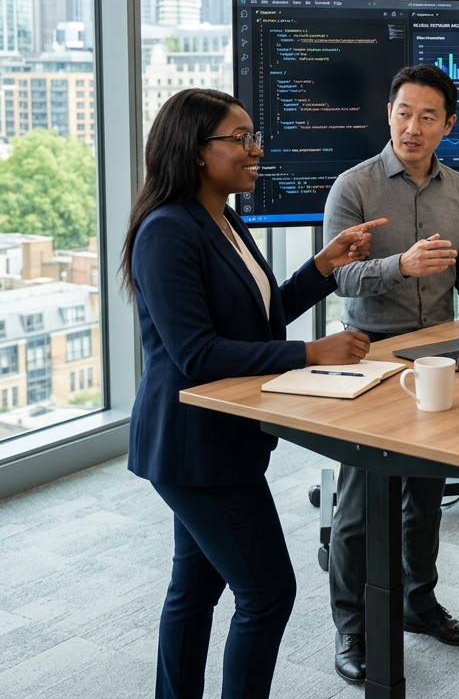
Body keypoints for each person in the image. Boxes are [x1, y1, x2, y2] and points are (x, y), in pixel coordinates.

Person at [124, 89, 385, 699]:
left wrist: (321, 268)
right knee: (268, 594)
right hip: (191, 444)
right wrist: (310, 354)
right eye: (239, 139)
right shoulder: (166, 231)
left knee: (195, 586)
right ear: (194, 151)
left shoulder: (221, 217)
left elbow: (258, 317)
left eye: (253, 135)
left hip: (225, 435)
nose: (255, 149)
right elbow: (198, 354)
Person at [322, 64, 459, 681]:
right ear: (387, 113)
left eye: (426, 116)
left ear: (448, 125)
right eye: (402, 112)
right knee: (362, 503)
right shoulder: (354, 186)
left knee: (425, 494)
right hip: (370, 352)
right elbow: (335, 275)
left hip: (440, 351)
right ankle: (352, 629)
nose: (411, 127)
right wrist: (401, 265)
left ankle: (419, 603)